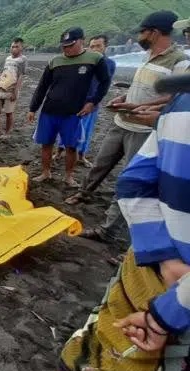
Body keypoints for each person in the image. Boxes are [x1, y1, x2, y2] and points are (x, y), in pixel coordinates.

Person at [65, 11, 190, 246]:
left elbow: (176, 97)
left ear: (154, 32)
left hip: (143, 130)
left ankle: (108, 229)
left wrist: (140, 105)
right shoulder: (148, 56)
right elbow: (138, 87)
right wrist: (123, 98)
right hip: (122, 121)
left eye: (143, 32)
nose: (140, 36)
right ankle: (83, 193)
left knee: (128, 178)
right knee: (101, 163)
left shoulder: (179, 61)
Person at [28, 27, 112, 187]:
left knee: (71, 147)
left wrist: (92, 102)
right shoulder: (55, 61)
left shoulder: (94, 59)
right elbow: (43, 86)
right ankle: (46, 172)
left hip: (74, 112)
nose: (66, 49)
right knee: (46, 144)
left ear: (81, 41)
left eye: (70, 45)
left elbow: (105, 82)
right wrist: (33, 108)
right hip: (49, 110)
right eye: (64, 46)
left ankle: (68, 176)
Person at [55, 35, 117, 167]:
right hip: (74, 101)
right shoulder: (84, 61)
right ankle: (59, 151)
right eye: (92, 46)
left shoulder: (109, 64)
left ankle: (82, 155)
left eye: (98, 46)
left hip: (92, 103)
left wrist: (95, 101)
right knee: (67, 127)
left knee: (87, 130)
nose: (94, 49)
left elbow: (105, 84)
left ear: (105, 47)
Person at [0, 37, 28, 139]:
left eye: (16, 47)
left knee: (9, 112)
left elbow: (21, 76)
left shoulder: (23, 59)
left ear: (21, 48)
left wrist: (15, 92)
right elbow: (4, 73)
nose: (14, 49)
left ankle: (7, 133)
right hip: (1, 88)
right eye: (12, 46)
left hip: (11, 89)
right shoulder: (7, 58)